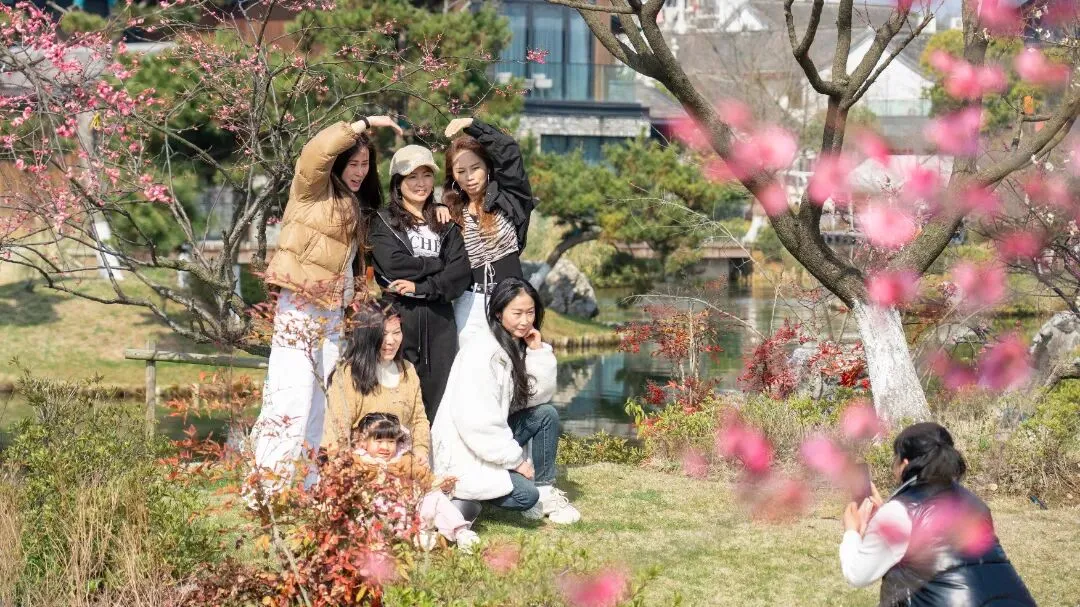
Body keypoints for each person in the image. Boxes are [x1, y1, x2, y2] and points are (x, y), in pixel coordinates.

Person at [251, 115, 402, 490]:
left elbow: (351, 264)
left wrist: (358, 299)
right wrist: (363, 123)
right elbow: (315, 152)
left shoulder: (353, 203)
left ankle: (307, 485)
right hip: (302, 301)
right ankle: (268, 488)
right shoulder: (312, 188)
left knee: (320, 397)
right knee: (291, 394)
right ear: (337, 163)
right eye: (353, 164)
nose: (360, 172)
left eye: (365, 165)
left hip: (332, 310)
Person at [431, 277, 581, 525]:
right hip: (466, 448)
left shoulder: (512, 344)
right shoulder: (482, 352)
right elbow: (479, 424)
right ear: (499, 313)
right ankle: (465, 496)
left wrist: (537, 352)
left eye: (530, 312)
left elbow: (536, 398)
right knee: (526, 496)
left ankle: (545, 491)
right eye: (517, 313)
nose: (525, 321)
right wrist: (517, 462)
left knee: (546, 414)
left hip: (489, 442)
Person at [839, 422, 1035, 606]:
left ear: (904, 464)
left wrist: (851, 531)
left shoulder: (900, 511)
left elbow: (858, 574)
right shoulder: (975, 503)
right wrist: (886, 517)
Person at [370, 145, 471, 422]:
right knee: (396, 396)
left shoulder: (445, 223)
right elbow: (393, 264)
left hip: (440, 323)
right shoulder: (383, 221)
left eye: (426, 175)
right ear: (398, 182)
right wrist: (437, 263)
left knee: (439, 402)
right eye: (412, 176)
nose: (420, 183)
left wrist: (421, 287)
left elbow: (459, 273)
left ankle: (431, 450)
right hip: (399, 318)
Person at [442, 117, 537, 350]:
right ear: (453, 176)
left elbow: (509, 152)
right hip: (469, 302)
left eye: (475, 168)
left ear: (487, 167)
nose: (469, 177)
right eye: (461, 171)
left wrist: (472, 124)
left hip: (511, 301)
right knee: (469, 365)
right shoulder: (451, 213)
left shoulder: (509, 199)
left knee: (513, 365)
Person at [348, 412, 479, 552]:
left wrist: (442, 484)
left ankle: (461, 532)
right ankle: (417, 538)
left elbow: (426, 479)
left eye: (391, 442)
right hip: (379, 515)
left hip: (410, 511)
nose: (385, 447)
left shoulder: (404, 460)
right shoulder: (358, 462)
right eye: (379, 441)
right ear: (364, 442)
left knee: (435, 496)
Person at [322, 300, 430, 462]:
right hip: (359, 464)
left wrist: (421, 449)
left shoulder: (408, 369)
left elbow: (418, 419)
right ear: (368, 336)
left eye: (396, 333)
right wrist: (347, 464)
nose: (391, 341)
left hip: (399, 462)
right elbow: (337, 428)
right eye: (384, 334)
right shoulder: (348, 374)